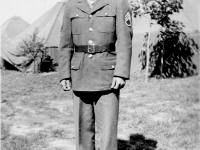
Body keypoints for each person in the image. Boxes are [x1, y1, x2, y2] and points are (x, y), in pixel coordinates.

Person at [59, 0, 133, 149]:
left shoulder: (118, 3)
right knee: (82, 132)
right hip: (80, 74)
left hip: (107, 76)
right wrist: (64, 74)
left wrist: (120, 73)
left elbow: (125, 41)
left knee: (107, 133)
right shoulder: (71, 5)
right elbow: (65, 43)